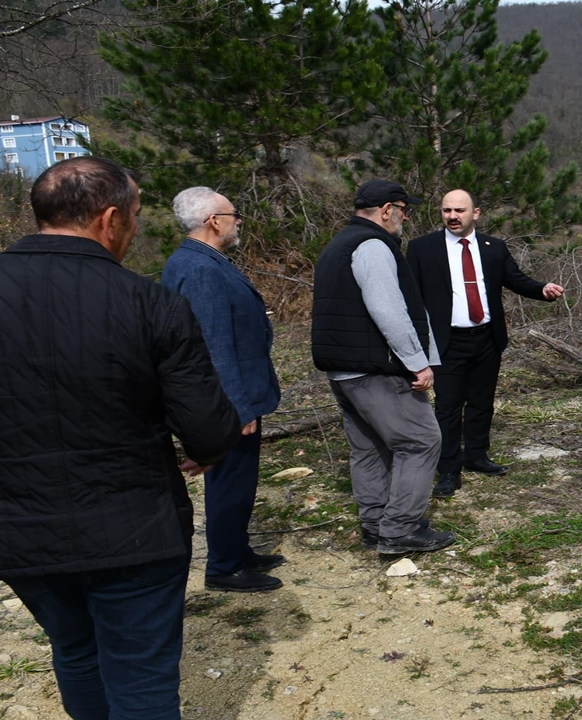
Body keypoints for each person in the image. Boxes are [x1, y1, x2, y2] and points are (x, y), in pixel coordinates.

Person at [0, 157, 242, 719]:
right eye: (134, 218)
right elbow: (208, 425)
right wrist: (204, 451)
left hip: (19, 526)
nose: (134, 231)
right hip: (134, 526)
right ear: (110, 219)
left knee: (76, 650)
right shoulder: (150, 303)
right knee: (141, 679)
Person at [311, 179, 455, 555]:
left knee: (369, 446)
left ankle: (376, 524)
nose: (406, 217)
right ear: (387, 209)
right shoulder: (372, 245)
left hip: (344, 370)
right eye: (405, 210)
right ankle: (399, 529)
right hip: (376, 369)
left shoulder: (339, 244)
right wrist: (418, 363)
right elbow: (388, 310)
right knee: (421, 441)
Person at [163, 187, 284, 592]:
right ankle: (225, 567)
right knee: (230, 481)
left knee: (239, 480)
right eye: (234, 215)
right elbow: (214, 345)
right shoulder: (199, 270)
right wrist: (238, 406)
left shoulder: (206, 261)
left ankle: (237, 549)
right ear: (214, 221)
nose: (238, 223)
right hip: (231, 400)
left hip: (239, 393)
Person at [406, 189, 564, 498]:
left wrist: (542, 289)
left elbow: (516, 279)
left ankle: (476, 456)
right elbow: (410, 297)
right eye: (446, 210)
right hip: (447, 341)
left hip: (487, 340)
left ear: (475, 213)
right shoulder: (422, 249)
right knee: (448, 408)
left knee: (481, 402)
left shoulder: (494, 248)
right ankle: (449, 469)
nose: (452, 216)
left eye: (459, 211)